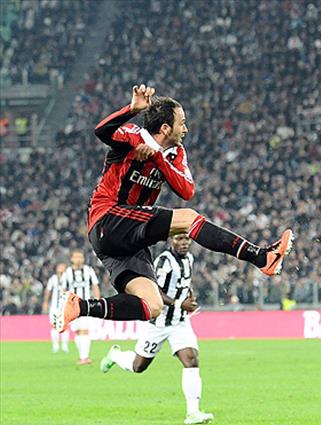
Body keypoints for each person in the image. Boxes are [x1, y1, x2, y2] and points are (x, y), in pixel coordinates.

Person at [52, 84, 293, 332]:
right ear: (166, 128)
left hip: (128, 238)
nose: (185, 129)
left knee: (152, 304)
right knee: (188, 219)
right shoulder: (133, 136)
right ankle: (259, 256)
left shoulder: (175, 152)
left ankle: (80, 307)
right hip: (108, 219)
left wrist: (157, 158)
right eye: (182, 123)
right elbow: (101, 131)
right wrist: (131, 109)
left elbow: (187, 191)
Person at [100, 232, 213, 425]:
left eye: (186, 239)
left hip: (179, 322)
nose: (184, 243)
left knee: (191, 360)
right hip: (157, 323)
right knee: (138, 366)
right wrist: (180, 303)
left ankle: (193, 412)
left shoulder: (189, 259)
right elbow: (155, 292)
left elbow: (183, 283)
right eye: (179, 239)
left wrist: (189, 297)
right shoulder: (163, 262)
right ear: (171, 240)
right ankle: (116, 355)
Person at [60, 250, 101, 364]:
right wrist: (63, 305)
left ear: (83, 259)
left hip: (86, 305)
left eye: (80, 257)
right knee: (78, 332)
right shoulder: (67, 272)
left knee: (84, 330)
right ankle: (82, 355)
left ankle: (84, 357)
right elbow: (63, 289)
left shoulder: (89, 270)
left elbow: (95, 286)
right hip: (72, 306)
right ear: (72, 259)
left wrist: (97, 301)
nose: (78, 259)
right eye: (76, 257)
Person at [43, 262, 68, 353]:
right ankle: (55, 346)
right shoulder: (53, 278)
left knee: (64, 326)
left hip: (65, 306)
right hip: (54, 306)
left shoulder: (68, 277)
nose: (60, 268)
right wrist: (45, 302)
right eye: (59, 266)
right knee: (54, 326)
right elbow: (48, 291)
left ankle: (64, 346)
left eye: (62, 266)